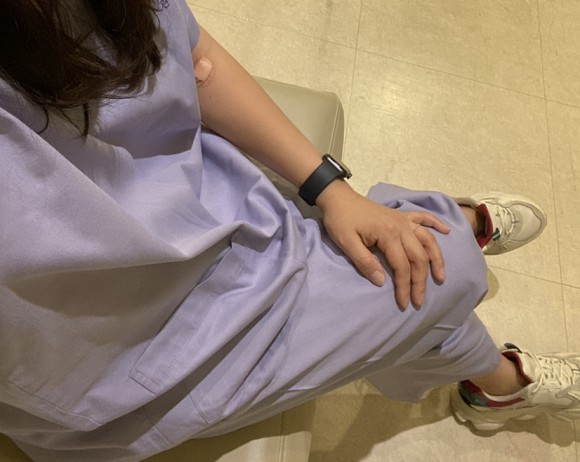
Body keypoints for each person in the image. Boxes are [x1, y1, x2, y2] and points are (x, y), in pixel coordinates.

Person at [0, 1, 578, 460]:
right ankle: (498, 381)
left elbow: (196, 57)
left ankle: (488, 376)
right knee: (444, 262)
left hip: (201, 205)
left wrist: (331, 188)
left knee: (415, 256)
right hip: (136, 356)